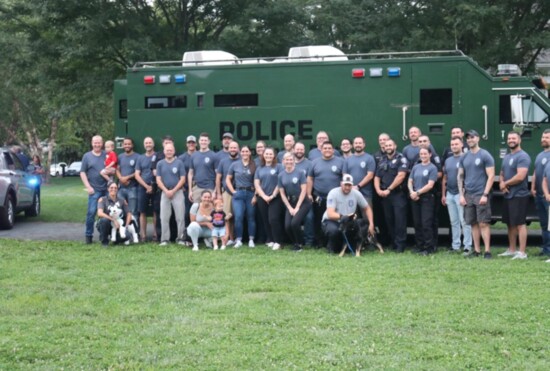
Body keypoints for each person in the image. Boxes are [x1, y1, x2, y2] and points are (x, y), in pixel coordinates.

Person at [458, 130, 495, 259]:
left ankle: (488, 251)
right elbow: (461, 176)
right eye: (468, 138)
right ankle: (477, 250)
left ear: (478, 139)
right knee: (473, 223)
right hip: (468, 195)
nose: (470, 140)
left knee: (483, 223)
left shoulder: (485, 155)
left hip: (481, 194)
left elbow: (491, 176)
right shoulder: (464, 156)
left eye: (472, 137)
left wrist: (485, 194)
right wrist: (461, 195)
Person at [497, 131, 531, 260]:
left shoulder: (523, 156)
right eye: (509, 138)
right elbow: (501, 172)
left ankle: (522, 252)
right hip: (508, 194)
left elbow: (520, 176)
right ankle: (512, 250)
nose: (511, 140)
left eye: (514, 138)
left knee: (520, 224)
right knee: (510, 223)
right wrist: (501, 182)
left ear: (519, 140)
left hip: (519, 195)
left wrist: (505, 183)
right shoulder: (507, 157)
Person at [322, 174, 374, 253]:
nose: (347, 187)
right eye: (345, 185)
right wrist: (345, 217)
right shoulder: (333, 193)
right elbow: (330, 214)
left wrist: (371, 223)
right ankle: (331, 246)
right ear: (341, 184)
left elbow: (367, 208)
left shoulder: (356, 193)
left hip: (348, 222)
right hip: (332, 221)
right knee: (334, 231)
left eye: (349, 185)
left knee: (352, 246)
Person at [307, 141, 345, 246]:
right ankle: (320, 242)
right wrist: (309, 193)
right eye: (325, 148)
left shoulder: (341, 162)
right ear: (321, 150)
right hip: (319, 198)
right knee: (319, 220)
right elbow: (310, 179)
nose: (327, 150)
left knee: (334, 220)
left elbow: (344, 178)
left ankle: (333, 242)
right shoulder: (314, 163)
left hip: (336, 199)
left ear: (333, 150)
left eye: (329, 148)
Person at [374, 139, 408, 252]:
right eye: (386, 145)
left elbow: (401, 176)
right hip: (385, 195)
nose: (388, 147)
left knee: (400, 220)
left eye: (390, 145)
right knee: (389, 220)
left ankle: (400, 245)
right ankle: (394, 243)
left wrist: (389, 189)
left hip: (397, 194)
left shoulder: (401, 158)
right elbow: (377, 177)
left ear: (395, 146)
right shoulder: (382, 160)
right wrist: (378, 189)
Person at [442, 136, 472, 253]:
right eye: (452, 144)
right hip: (450, 194)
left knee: (464, 221)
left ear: (462, 145)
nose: (454, 146)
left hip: (461, 194)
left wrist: (463, 194)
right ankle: (455, 246)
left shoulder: (466, 158)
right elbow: (445, 178)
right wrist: (443, 195)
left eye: (456, 144)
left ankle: (467, 246)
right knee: (453, 222)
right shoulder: (448, 160)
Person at [278, 152, 311, 251]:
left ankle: (299, 244)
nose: (289, 161)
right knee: (287, 226)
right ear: (283, 161)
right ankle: (296, 242)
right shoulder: (280, 175)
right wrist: (290, 208)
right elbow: (282, 194)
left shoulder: (300, 173)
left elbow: (304, 190)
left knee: (295, 223)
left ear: (294, 161)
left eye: (290, 159)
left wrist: (297, 208)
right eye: (286, 160)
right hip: (290, 202)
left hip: (303, 202)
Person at [408, 147, 438, 255]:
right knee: (417, 223)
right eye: (421, 154)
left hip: (427, 198)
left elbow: (430, 185)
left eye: (425, 153)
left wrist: (418, 193)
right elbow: (410, 181)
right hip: (415, 198)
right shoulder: (416, 167)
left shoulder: (433, 168)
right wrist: (412, 192)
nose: (423, 155)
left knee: (426, 223)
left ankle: (429, 247)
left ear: (430, 154)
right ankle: (420, 245)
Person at [156, 142, 186, 246]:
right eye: (167, 150)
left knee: (180, 217)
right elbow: (158, 179)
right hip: (165, 193)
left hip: (177, 192)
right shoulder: (160, 163)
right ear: (164, 151)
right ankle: (165, 239)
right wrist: (166, 190)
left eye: (171, 150)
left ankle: (181, 238)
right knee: (164, 217)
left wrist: (173, 191)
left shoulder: (179, 163)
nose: (169, 152)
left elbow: (183, 179)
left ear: (174, 151)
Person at [226, 145, 257, 248]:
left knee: (251, 217)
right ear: (240, 152)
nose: (244, 153)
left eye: (246, 151)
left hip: (250, 193)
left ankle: (251, 240)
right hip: (238, 193)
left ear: (249, 153)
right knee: (238, 217)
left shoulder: (254, 165)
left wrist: (255, 195)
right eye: (242, 151)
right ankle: (238, 239)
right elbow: (228, 179)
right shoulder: (235, 165)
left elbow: (258, 181)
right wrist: (233, 191)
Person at [254, 147, 284, 250]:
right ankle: (271, 239)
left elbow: (280, 183)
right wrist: (264, 196)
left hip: (276, 197)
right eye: (266, 154)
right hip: (263, 198)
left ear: (274, 156)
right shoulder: (259, 168)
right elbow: (257, 184)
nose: (268, 156)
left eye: (270, 154)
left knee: (273, 219)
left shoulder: (279, 167)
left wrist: (272, 196)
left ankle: (278, 241)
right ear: (263, 155)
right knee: (265, 220)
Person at [80, 135, 107, 244]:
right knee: (91, 213)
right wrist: (88, 186)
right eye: (95, 142)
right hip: (94, 190)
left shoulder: (107, 155)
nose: (97, 145)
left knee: (106, 214)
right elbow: (82, 172)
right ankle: (88, 235)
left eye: (99, 142)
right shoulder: (87, 156)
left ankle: (104, 235)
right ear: (92, 143)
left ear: (102, 143)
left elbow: (114, 169)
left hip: (106, 190)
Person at [215, 140, 239, 245]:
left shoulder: (242, 160)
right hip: (227, 193)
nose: (233, 149)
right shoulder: (223, 161)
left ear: (238, 149)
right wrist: (219, 194)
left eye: (235, 148)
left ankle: (238, 238)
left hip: (240, 192)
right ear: (228, 149)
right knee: (227, 216)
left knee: (237, 216)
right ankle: (230, 238)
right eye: (231, 148)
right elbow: (218, 178)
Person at [531, 129, 550, 258]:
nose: (544, 139)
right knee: (543, 224)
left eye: (547, 138)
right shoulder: (540, 155)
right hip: (539, 195)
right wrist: (532, 187)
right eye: (543, 137)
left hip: (548, 196)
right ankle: (546, 249)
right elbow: (536, 172)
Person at [96, 181, 134, 246]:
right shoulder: (103, 199)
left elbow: (129, 213)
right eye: (111, 187)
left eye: (115, 188)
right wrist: (113, 220)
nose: (113, 189)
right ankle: (104, 241)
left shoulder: (122, 200)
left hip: (118, 225)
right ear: (108, 189)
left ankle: (115, 239)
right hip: (106, 223)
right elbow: (100, 213)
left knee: (128, 236)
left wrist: (126, 226)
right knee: (104, 220)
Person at [135, 137, 157, 242]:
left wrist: (153, 186)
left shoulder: (158, 156)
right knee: (142, 211)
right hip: (142, 187)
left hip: (155, 187)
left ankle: (155, 234)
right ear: (144, 145)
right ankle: (143, 235)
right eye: (146, 143)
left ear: (153, 144)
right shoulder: (140, 158)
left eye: (150, 143)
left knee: (155, 211)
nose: (148, 144)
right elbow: (137, 174)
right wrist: (146, 186)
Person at [343, 136, 376, 206]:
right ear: (353, 145)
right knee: (352, 216)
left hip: (366, 195)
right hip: (350, 193)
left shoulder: (369, 158)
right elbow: (345, 175)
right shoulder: (347, 160)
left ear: (364, 145)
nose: (358, 145)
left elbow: (370, 175)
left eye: (360, 143)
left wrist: (358, 186)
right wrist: (350, 187)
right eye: (356, 143)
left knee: (366, 216)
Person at [294, 142, 315, 246]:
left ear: (304, 150)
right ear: (294, 150)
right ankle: (295, 240)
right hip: (292, 198)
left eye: (301, 149)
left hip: (306, 197)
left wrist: (309, 193)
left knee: (309, 217)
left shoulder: (309, 164)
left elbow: (310, 180)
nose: (299, 151)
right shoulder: (289, 162)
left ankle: (309, 241)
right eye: (297, 149)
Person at [116, 137, 140, 225]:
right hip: (121, 189)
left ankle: (135, 233)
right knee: (120, 212)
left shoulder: (138, 157)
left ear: (132, 145)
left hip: (132, 188)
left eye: (129, 144)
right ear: (123, 145)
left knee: (133, 211)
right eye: (125, 144)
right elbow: (117, 169)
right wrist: (121, 178)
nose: (127, 145)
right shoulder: (120, 156)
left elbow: (137, 172)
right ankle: (123, 233)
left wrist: (127, 178)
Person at [188, 132, 216, 203]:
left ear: (209, 142)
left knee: (209, 212)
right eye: (202, 140)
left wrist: (215, 191)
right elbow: (190, 174)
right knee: (195, 210)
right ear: (199, 141)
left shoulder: (214, 155)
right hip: (197, 188)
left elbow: (218, 175)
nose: (203, 142)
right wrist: (190, 190)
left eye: (205, 140)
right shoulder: (194, 155)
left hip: (210, 188)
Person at [179, 135, 197, 227]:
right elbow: (177, 173)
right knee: (186, 212)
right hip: (185, 189)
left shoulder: (199, 155)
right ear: (186, 144)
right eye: (189, 143)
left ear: (196, 144)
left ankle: (198, 235)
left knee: (197, 212)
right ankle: (187, 235)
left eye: (193, 143)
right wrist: (181, 186)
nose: (191, 144)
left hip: (198, 188)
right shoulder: (181, 158)